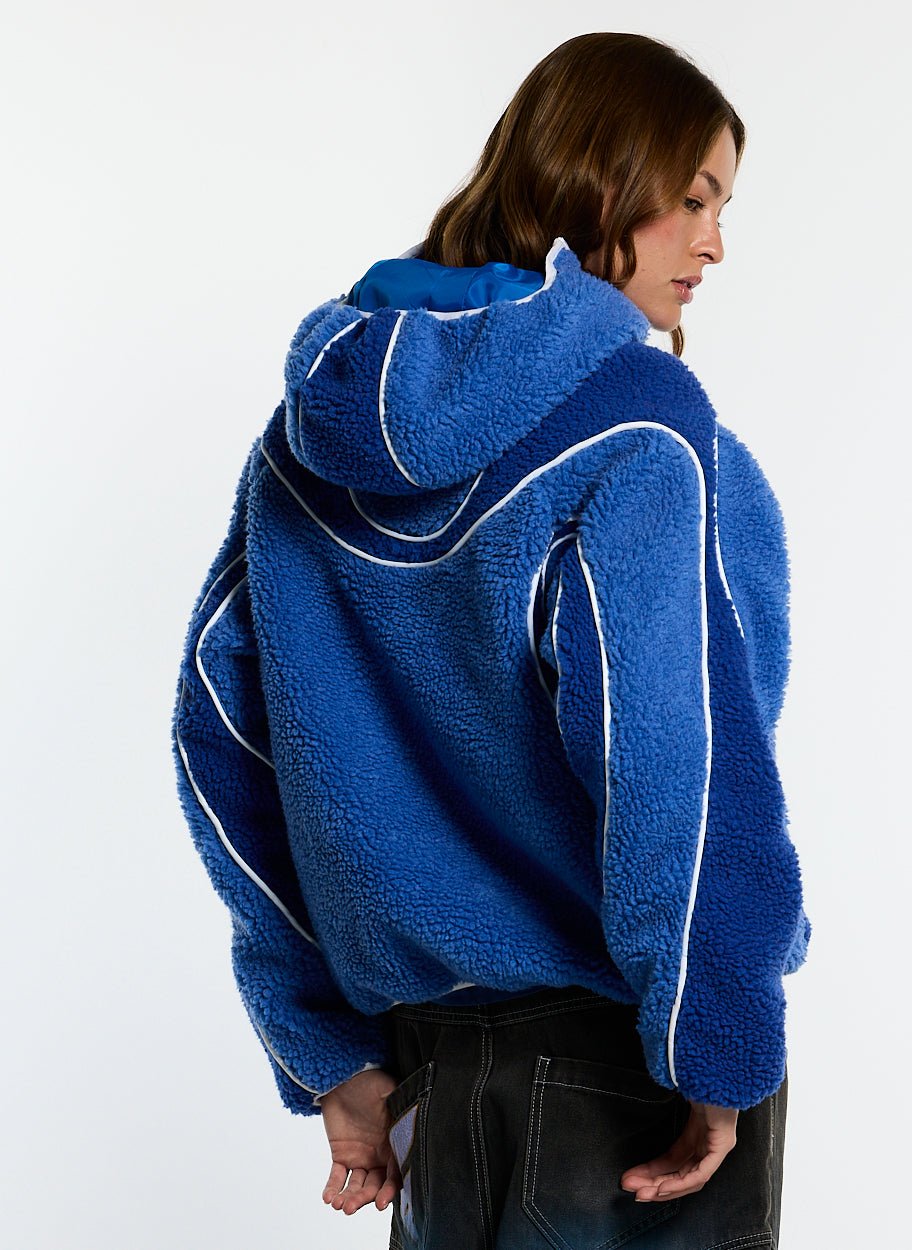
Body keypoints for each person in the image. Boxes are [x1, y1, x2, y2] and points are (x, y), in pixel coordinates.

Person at [170, 30, 810, 1250]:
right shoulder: (636, 425)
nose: (714, 245)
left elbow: (221, 740)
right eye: (691, 201)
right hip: (627, 1064)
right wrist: (717, 1041)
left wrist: (329, 1051)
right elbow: (672, 756)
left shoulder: (302, 445)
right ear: (602, 181)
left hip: (427, 1074)